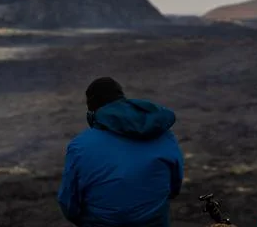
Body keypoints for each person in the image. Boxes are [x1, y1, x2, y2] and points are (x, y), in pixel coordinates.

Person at [58, 77, 184, 227]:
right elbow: (174, 187)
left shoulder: (80, 146)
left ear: (93, 111)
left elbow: (69, 204)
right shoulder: (164, 134)